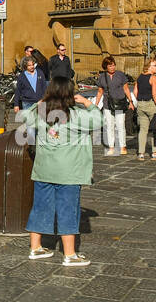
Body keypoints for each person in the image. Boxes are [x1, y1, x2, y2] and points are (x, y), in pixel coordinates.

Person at [22, 75, 101, 266]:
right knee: (68, 210)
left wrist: (42, 100)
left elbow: (26, 116)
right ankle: (69, 254)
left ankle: (35, 248)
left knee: (40, 207)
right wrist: (87, 103)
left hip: (44, 170)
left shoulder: (41, 112)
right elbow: (98, 121)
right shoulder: (76, 114)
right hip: (69, 172)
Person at [94, 55, 131, 156]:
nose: (112, 67)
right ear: (106, 66)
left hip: (119, 103)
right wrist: (96, 105)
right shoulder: (102, 77)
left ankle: (123, 146)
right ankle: (111, 146)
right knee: (109, 126)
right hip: (108, 104)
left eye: (114, 65)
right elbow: (99, 92)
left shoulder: (120, 75)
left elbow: (126, 88)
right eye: (110, 66)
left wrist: (130, 101)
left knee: (120, 125)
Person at [133, 55, 156, 160]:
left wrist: (140, 100)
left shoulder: (140, 77)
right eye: (155, 65)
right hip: (151, 105)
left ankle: (141, 154)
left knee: (143, 130)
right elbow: (155, 95)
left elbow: (135, 91)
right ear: (149, 67)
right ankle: (155, 153)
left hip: (140, 105)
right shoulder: (153, 78)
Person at [13, 54, 47, 118]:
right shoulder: (22, 76)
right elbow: (18, 91)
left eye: (33, 64)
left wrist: (43, 99)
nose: (32, 67)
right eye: (29, 65)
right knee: (30, 125)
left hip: (40, 102)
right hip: (27, 103)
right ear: (25, 66)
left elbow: (44, 87)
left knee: (41, 125)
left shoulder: (40, 73)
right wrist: (16, 105)